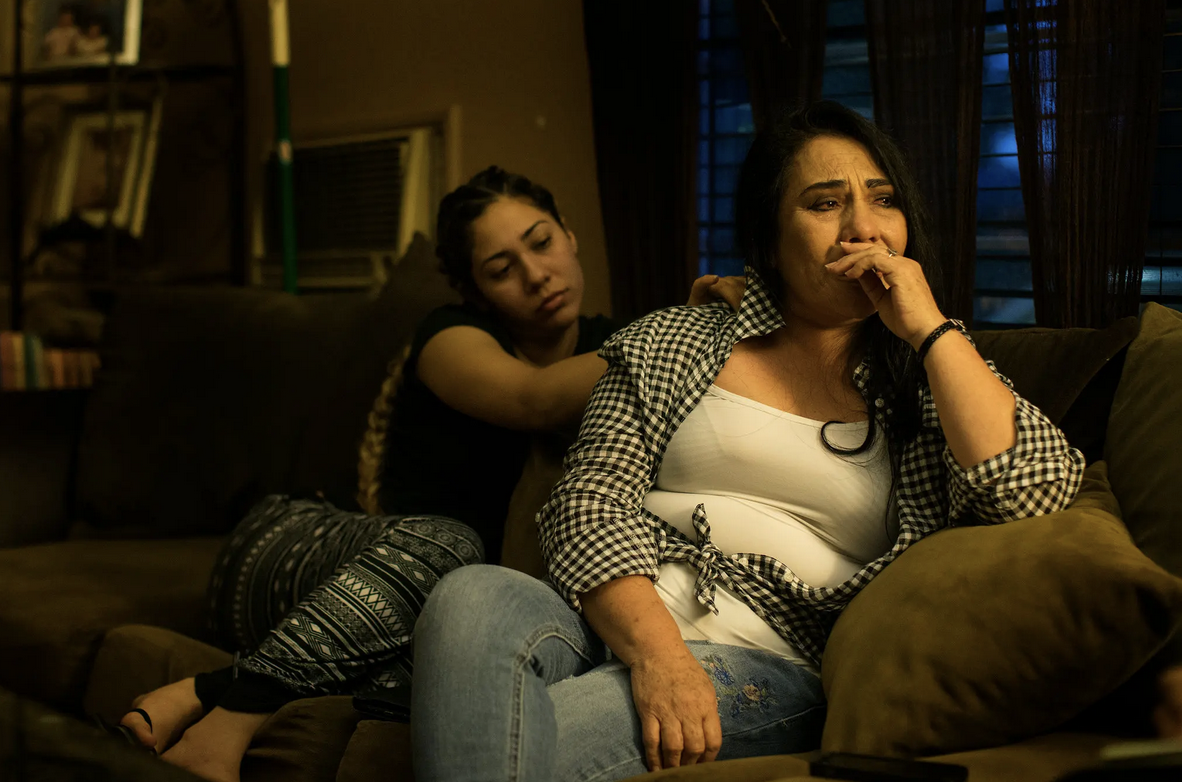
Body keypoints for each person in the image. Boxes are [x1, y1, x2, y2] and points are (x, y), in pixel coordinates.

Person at [409, 102, 1087, 782]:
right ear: (768, 236)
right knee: (469, 595)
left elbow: (1034, 491)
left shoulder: (927, 377)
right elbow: (587, 501)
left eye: (883, 200)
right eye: (826, 203)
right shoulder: (677, 338)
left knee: (539, 741)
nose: (863, 228)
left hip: (765, 659)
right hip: (605, 615)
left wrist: (930, 329)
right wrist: (659, 655)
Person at [111, 167, 743, 782]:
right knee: (455, 552)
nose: (535, 274)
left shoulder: (617, 342)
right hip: (305, 552)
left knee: (469, 643)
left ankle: (206, 689)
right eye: (501, 269)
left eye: (542, 242)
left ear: (569, 235)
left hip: (431, 614)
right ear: (476, 290)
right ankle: (225, 728)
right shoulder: (449, 337)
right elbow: (532, 399)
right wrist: (684, 332)